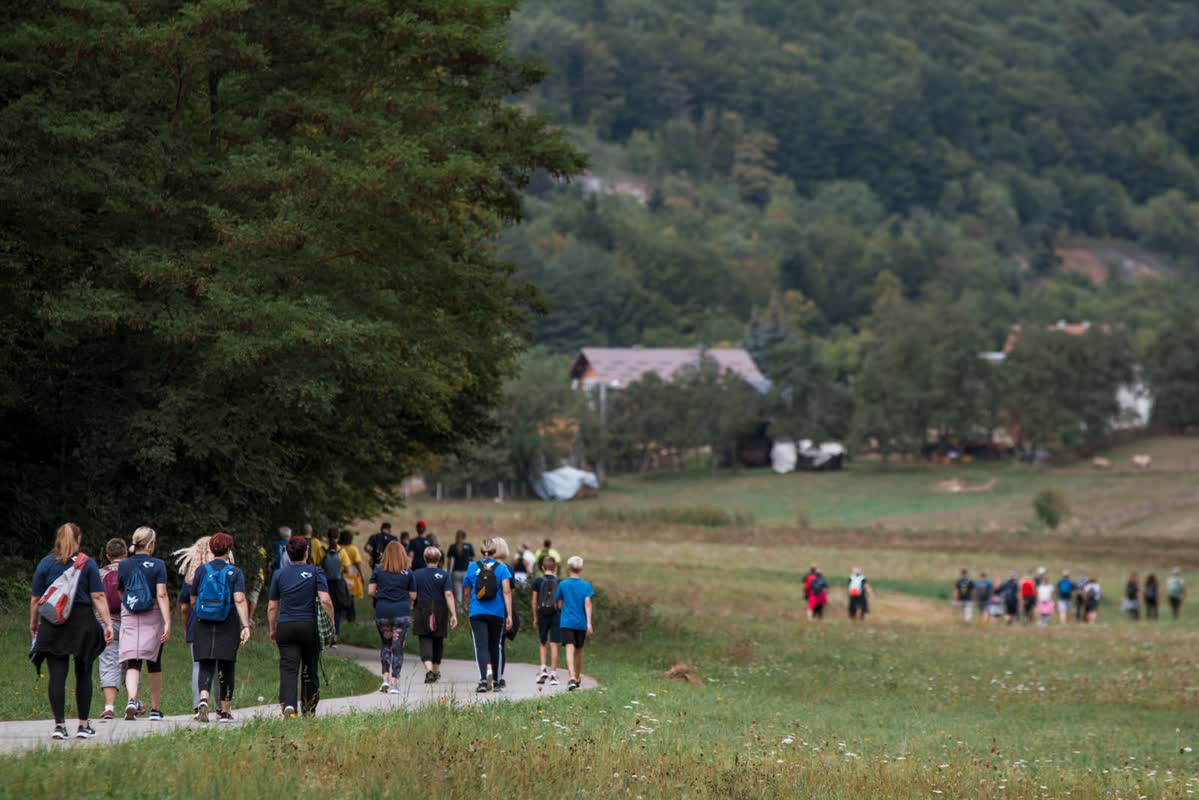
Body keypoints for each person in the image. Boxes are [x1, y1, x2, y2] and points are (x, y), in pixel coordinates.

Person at [30, 523, 114, 740]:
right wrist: (108, 623)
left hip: (53, 623)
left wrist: (34, 624)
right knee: (83, 673)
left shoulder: (46, 564)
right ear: (79, 538)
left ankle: (59, 726)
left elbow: (36, 600)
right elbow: (98, 596)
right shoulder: (87, 564)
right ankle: (83, 725)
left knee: (57, 675)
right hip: (82, 623)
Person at [268, 536, 334, 717]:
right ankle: (308, 709)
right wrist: (332, 626)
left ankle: (289, 706)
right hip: (309, 627)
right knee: (309, 668)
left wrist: (273, 629)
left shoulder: (279, 574)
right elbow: (326, 600)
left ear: (288, 555)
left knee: (289, 668)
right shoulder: (316, 572)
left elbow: (273, 605)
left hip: (286, 627)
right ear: (307, 552)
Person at [191, 532, 251, 722]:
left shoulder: (201, 570)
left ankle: (203, 699)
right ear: (229, 549)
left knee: (205, 664)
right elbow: (239, 599)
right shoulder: (235, 572)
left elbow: (193, 598)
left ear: (211, 548)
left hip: (203, 623)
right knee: (226, 666)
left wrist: (203, 610)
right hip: (228, 623)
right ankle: (224, 711)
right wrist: (246, 625)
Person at [119, 526, 171, 722]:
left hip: (130, 613)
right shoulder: (158, 565)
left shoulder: (124, 565)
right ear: (151, 544)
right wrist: (167, 622)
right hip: (153, 613)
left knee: (133, 660)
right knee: (154, 662)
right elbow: (161, 594)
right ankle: (155, 710)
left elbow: (121, 591)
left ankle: (132, 700)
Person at [463, 537, 514, 693]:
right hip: (496, 613)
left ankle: (483, 681)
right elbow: (507, 591)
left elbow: (466, 590)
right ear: (494, 551)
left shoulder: (472, 567)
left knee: (481, 646)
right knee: (495, 645)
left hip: (477, 612)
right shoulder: (502, 568)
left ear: (481, 551)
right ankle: (497, 682)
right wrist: (509, 614)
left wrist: (468, 606)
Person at [175, 535, 214, 718]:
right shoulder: (222, 573)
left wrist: (186, 626)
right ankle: (221, 707)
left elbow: (184, 607)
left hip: (195, 625)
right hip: (219, 624)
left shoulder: (190, 578)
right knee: (219, 664)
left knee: (198, 665)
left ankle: (198, 704)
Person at [369, 541, 415, 693]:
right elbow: (413, 595)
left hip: (382, 612)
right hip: (401, 612)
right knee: (397, 647)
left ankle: (385, 679)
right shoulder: (408, 572)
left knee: (386, 645)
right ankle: (395, 682)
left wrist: (381, 594)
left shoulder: (378, 570)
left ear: (386, 554)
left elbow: (370, 591)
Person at [410, 546, 458, 684]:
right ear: (439, 559)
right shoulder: (444, 574)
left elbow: (412, 595)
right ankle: (435, 670)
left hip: (422, 608)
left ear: (425, 559)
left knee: (424, 639)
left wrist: (411, 605)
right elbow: (448, 594)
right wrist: (454, 614)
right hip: (440, 609)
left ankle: (429, 671)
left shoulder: (416, 574)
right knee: (438, 640)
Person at [96, 538, 127, 722]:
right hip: (130, 622)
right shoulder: (132, 571)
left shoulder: (100, 574)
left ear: (108, 555)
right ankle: (133, 700)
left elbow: (96, 598)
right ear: (126, 553)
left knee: (108, 660)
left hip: (105, 623)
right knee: (132, 662)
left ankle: (109, 707)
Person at [555, 555, 595, 692]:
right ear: (581, 569)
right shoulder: (586, 585)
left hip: (567, 621)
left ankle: (571, 677)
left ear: (568, 568)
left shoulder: (563, 584)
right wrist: (589, 623)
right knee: (579, 650)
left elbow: (559, 603)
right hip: (581, 623)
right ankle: (577, 677)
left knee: (569, 649)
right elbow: (588, 604)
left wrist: (563, 609)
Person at [532, 556, 562, 684]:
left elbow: (534, 601)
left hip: (542, 614)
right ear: (555, 568)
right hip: (555, 614)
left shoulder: (538, 581)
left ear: (542, 568)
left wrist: (535, 617)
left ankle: (543, 668)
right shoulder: (560, 581)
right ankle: (553, 675)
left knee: (543, 642)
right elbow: (560, 601)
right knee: (554, 643)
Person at [320, 528, 352, 639]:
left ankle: (324, 633)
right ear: (338, 538)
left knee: (324, 608)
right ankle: (335, 635)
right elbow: (347, 570)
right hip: (338, 584)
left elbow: (316, 566)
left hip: (324, 583)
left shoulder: (322, 550)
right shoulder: (342, 551)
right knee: (337, 609)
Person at [339, 529, 365, 621]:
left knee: (341, 595)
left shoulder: (338, 548)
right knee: (350, 596)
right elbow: (358, 563)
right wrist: (362, 575)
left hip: (340, 576)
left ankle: (342, 615)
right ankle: (351, 617)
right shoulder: (353, 549)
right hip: (351, 576)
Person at [447, 530, 475, 605]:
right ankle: (466, 612)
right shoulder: (469, 546)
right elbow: (472, 561)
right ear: (465, 537)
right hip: (466, 572)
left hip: (456, 573)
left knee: (458, 596)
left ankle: (459, 614)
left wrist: (449, 574)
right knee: (466, 595)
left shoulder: (452, 547)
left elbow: (450, 563)